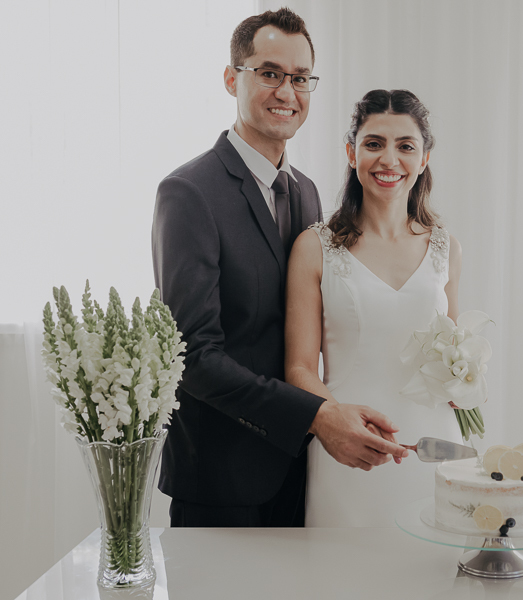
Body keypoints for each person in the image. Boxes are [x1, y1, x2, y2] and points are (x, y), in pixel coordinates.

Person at [151, 9, 407, 528]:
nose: (286, 91)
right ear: (232, 78)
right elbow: (194, 356)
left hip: (302, 469)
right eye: (269, 73)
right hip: (221, 477)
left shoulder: (306, 192)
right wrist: (317, 415)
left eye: (300, 78)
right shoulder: (188, 193)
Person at [286, 89, 464, 526]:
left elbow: (455, 355)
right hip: (349, 452)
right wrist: (336, 422)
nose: (389, 159)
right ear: (352, 153)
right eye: (374, 143)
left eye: (405, 146)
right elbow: (299, 369)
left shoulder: (446, 247)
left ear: (424, 159)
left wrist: (468, 384)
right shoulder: (314, 247)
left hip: (435, 449)